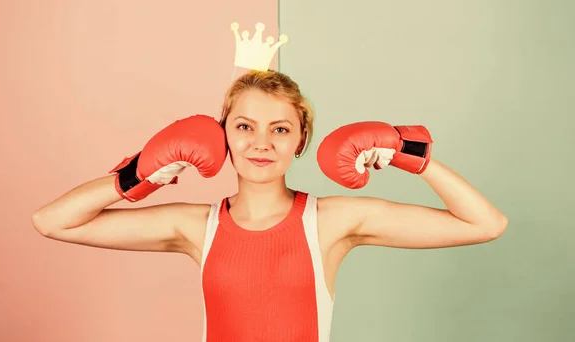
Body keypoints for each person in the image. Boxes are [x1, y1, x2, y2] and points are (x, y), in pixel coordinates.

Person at [32, 69, 508, 342]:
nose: (261, 142)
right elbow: (52, 222)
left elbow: (485, 224)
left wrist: (410, 153)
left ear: (301, 140)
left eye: (280, 128)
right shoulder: (198, 226)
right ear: (223, 136)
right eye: (244, 127)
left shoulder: (331, 221)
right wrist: (138, 175)